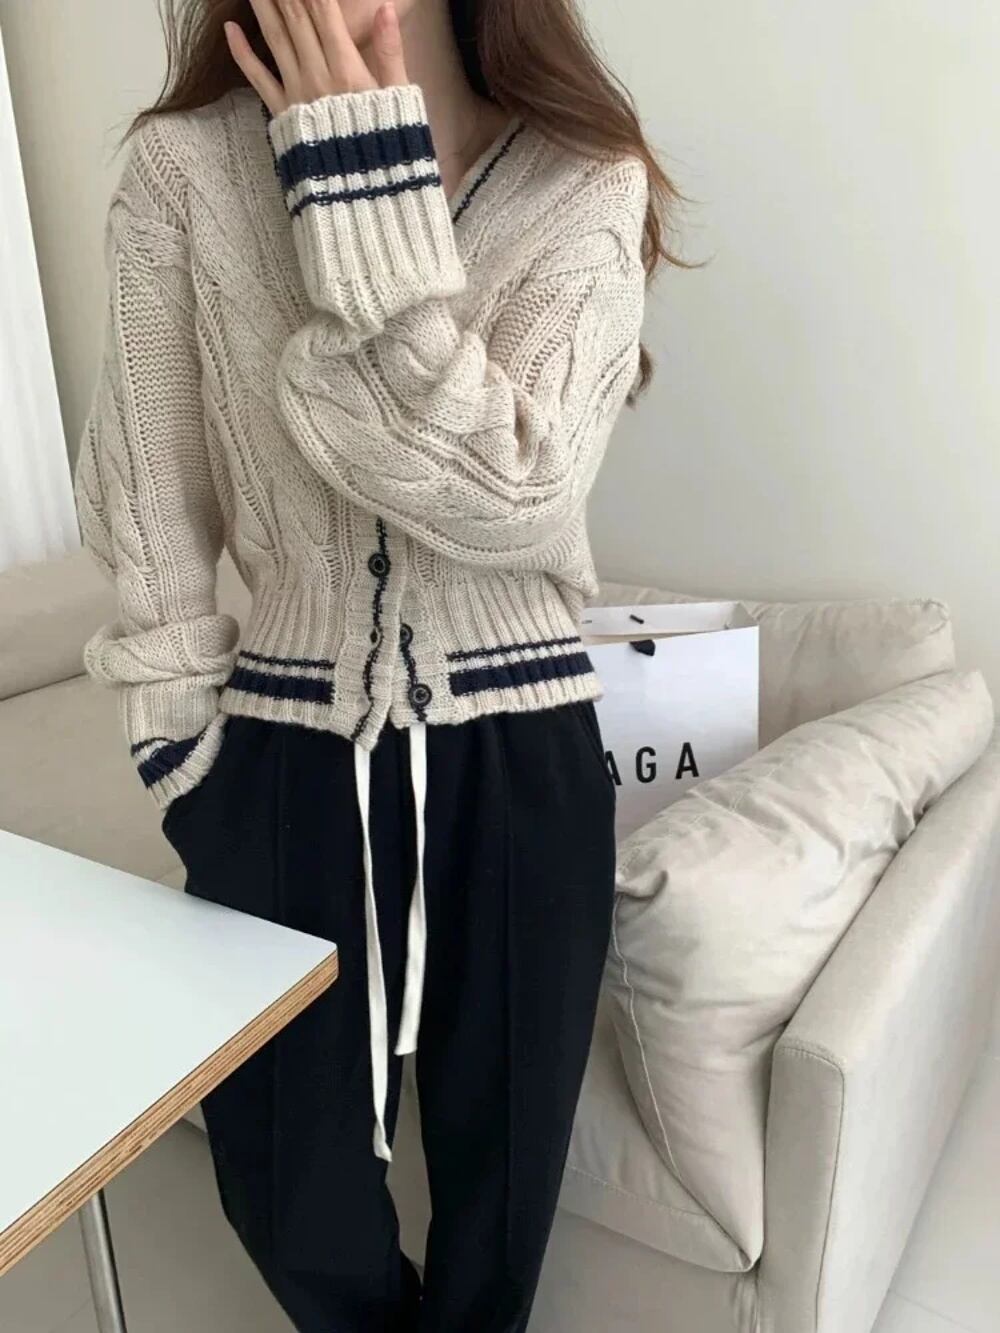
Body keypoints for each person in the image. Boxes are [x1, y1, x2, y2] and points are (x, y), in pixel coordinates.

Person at [75, 0, 679, 1328]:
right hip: (281, 751)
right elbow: (150, 500)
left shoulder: (584, 176)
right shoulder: (183, 171)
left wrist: (357, 183)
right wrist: (180, 747)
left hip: (522, 760)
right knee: (287, 1192)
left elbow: (515, 493)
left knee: (501, 1203)